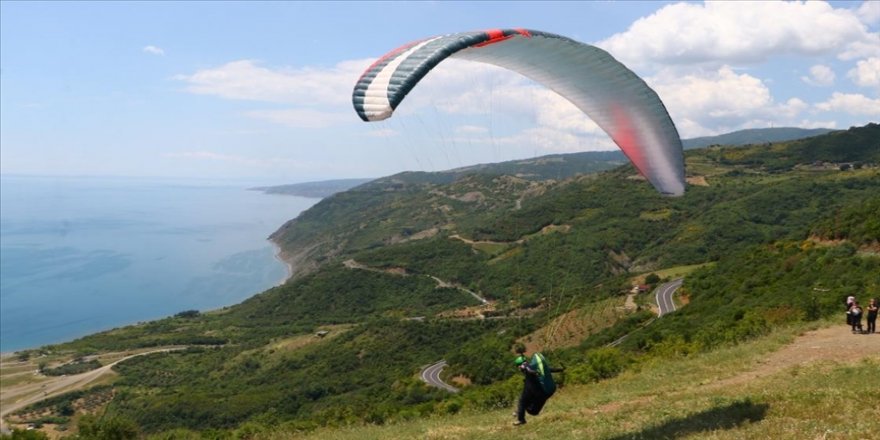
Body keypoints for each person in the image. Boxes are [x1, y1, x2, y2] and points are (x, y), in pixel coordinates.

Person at [512, 344, 564, 426]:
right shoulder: (535, 367)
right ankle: (519, 411)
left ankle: (521, 419)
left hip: (532, 391)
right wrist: (560, 369)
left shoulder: (525, 366)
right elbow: (548, 369)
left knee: (522, 401)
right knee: (533, 412)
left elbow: (526, 368)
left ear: (519, 365)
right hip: (542, 393)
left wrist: (532, 372)